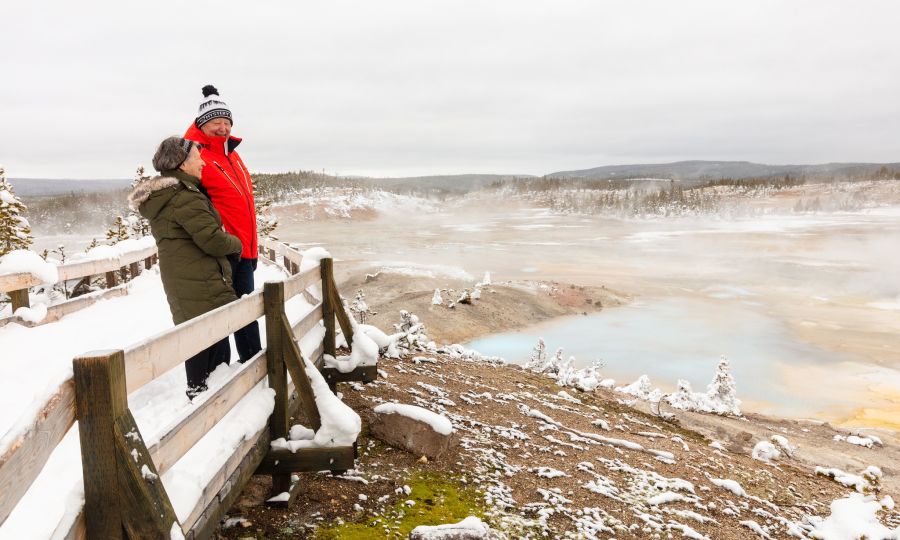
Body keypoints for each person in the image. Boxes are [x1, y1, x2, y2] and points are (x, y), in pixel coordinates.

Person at [129, 136, 243, 399]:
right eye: (196, 158)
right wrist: (236, 244)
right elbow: (212, 240)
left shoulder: (169, 195)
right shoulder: (184, 198)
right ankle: (206, 404)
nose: (202, 162)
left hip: (186, 279)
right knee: (211, 345)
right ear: (181, 164)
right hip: (199, 280)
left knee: (197, 342)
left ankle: (202, 398)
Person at [184, 85, 262, 362]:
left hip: (245, 249)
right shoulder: (195, 157)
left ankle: (254, 366)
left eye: (227, 122)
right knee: (223, 315)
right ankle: (223, 378)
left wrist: (253, 248)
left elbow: (244, 205)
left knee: (247, 311)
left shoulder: (232, 154)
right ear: (203, 124)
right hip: (223, 250)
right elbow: (189, 202)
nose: (223, 127)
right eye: (216, 122)